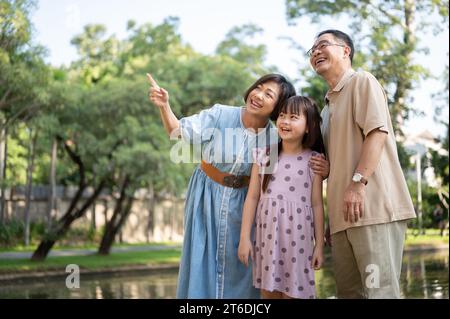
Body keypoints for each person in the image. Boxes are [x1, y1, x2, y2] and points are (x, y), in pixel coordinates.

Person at [147, 72, 296, 298]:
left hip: (245, 206)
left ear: (278, 107)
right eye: (258, 87)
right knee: (201, 260)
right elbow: (177, 132)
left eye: (269, 94)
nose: (258, 95)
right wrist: (165, 106)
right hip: (205, 197)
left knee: (241, 267)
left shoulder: (275, 139)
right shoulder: (221, 114)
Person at [308, 29, 416, 298]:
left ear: (346, 50)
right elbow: (342, 159)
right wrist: (333, 219)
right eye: (312, 51)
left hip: (372, 210)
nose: (316, 52)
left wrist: (357, 184)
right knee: (350, 295)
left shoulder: (362, 82)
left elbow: (377, 133)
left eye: (323, 45)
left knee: (379, 292)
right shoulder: (325, 109)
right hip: (343, 219)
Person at [238, 95, 326, 299]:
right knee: (268, 293)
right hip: (267, 241)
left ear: (308, 126)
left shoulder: (314, 161)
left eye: (293, 117)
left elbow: (317, 205)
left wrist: (319, 246)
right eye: (282, 116)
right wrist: (244, 238)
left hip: (299, 241)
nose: (285, 121)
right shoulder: (265, 156)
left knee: (296, 293)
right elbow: (252, 197)